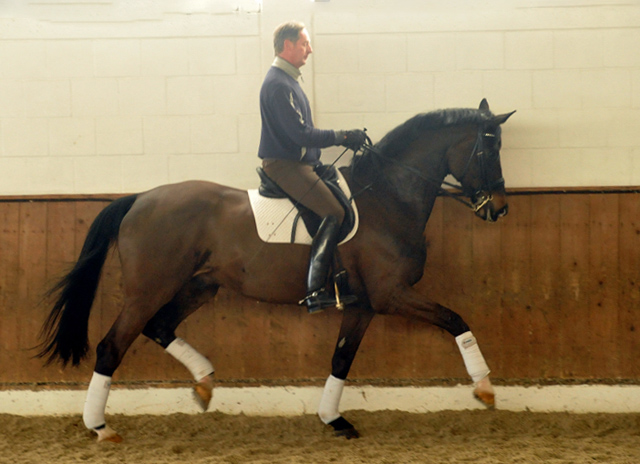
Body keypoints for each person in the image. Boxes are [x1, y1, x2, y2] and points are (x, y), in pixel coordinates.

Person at [258, 21, 366, 314]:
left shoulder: (289, 80)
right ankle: (315, 289)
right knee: (334, 211)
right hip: (285, 166)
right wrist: (342, 136)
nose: (310, 50)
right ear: (288, 45)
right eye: (305, 44)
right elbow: (300, 135)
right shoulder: (279, 84)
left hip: (302, 163)